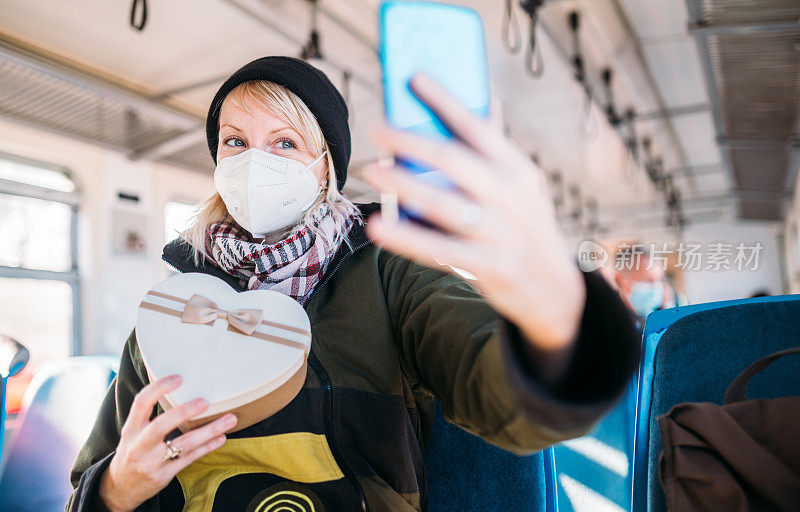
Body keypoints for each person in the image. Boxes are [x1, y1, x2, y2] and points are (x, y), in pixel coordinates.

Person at [67, 56, 641, 512]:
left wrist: (559, 313)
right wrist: (115, 491)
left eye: (285, 143)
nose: (253, 163)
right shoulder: (176, 304)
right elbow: (89, 482)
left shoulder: (392, 274)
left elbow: (505, 403)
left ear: (325, 168)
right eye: (235, 142)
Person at [613, 245, 667, 323]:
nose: (656, 286)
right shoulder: (608, 321)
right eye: (648, 280)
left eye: (660, 279)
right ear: (619, 280)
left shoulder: (658, 320)